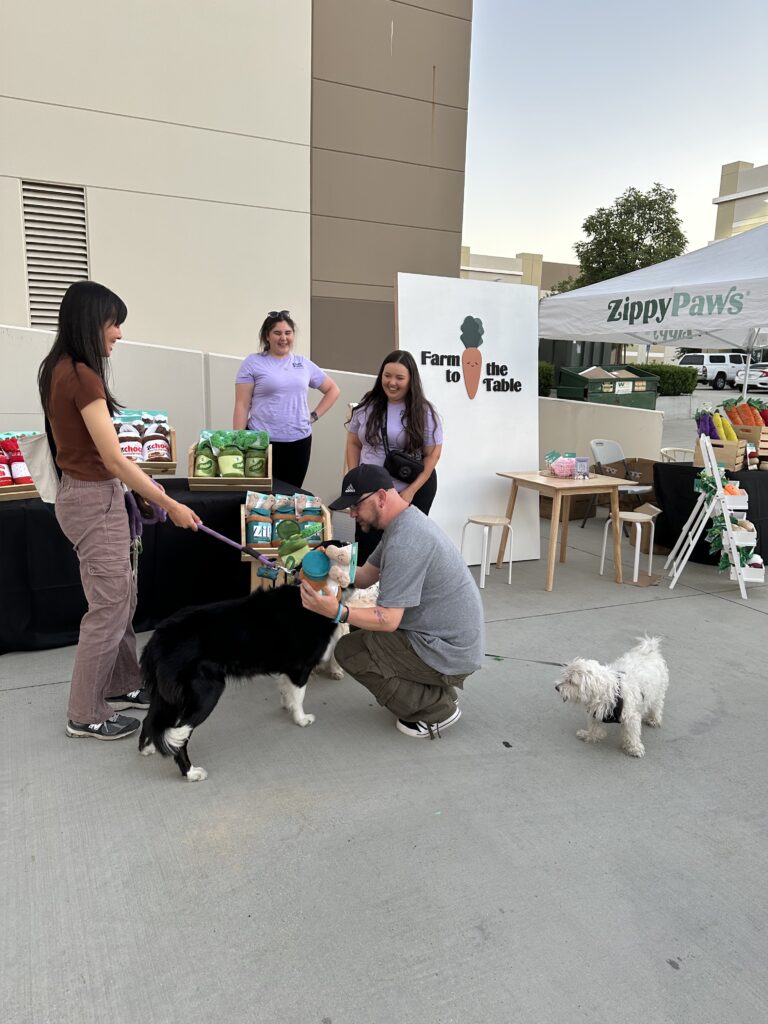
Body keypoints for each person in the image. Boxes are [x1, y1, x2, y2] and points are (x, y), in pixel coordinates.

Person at [38, 280, 201, 742]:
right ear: (92, 322)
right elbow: (112, 459)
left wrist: (148, 495)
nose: (120, 334)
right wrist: (169, 504)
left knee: (119, 600)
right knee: (109, 608)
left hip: (89, 495)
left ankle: (123, 681)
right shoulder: (82, 376)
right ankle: (85, 712)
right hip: (94, 500)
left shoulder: (59, 368)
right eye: (114, 323)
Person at [300, 465, 484, 738]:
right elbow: (363, 577)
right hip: (444, 639)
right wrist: (328, 564)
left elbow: (388, 619)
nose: (351, 514)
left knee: (350, 650)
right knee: (362, 626)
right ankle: (435, 690)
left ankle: (435, 711)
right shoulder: (403, 523)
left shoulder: (407, 541)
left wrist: (336, 611)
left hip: (449, 651)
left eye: (355, 506)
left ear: (381, 498)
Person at [345, 350, 442, 564]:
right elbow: (353, 442)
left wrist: (410, 492)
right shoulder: (367, 405)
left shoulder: (423, 412)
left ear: (411, 380)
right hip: (369, 492)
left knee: (403, 552)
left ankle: (398, 596)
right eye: (387, 375)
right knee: (366, 550)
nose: (392, 382)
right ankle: (363, 597)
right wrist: (354, 477)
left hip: (409, 491)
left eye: (399, 378)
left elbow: (432, 456)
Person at [233, 310, 340, 488]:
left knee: (290, 497)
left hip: (299, 443)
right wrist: (237, 441)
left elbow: (333, 390)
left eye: (288, 333)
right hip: (261, 443)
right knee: (258, 496)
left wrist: (313, 416)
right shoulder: (252, 363)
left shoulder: (303, 363)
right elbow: (242, 404)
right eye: (277, 333)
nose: (283, 338)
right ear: (267, 336)